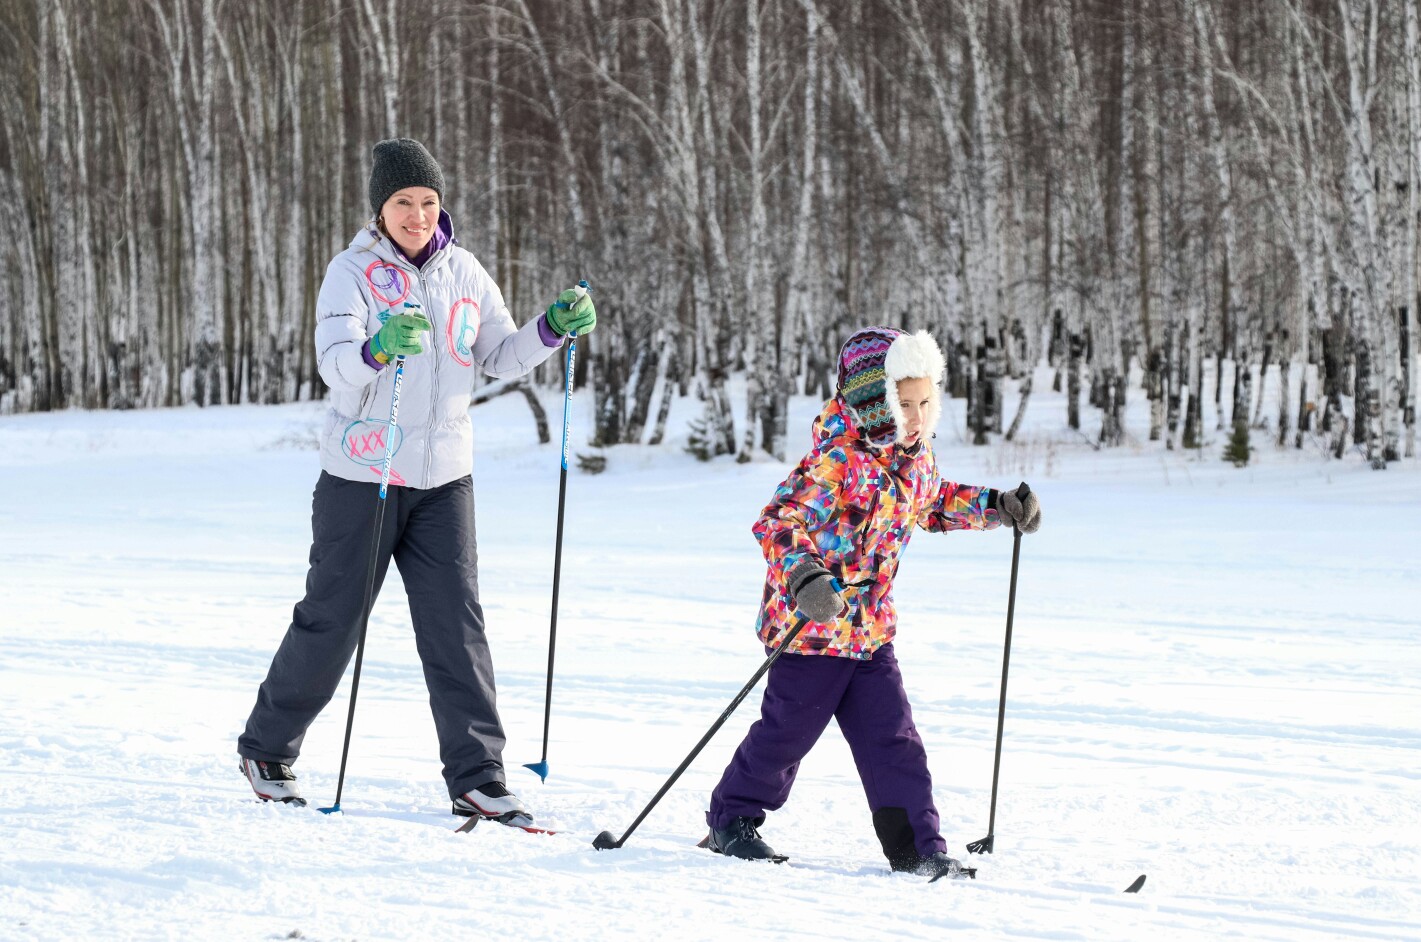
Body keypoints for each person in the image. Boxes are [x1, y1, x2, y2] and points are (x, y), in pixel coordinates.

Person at [237, 138, 596, 828]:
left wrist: (550, 329)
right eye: (403, 201)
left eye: (428, 201)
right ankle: (266, 748)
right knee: (333, 619)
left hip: (443, 481)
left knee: (457, 629)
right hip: (361, 478)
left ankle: (479, 777)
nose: (417, 214)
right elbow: (336, 366)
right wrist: (377, 348)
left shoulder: (463, 270)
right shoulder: (351, 273)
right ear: (380, 208)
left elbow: (496, 356)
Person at [702, 326, 1042, 880]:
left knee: (894, 739)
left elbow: (932, 505)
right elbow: (778, 522)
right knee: (787, 735)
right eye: (903, 403)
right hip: (810, 630)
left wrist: (997, 505)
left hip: (869, 633)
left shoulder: (915, 459)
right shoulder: (836, 460)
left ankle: (916, 847)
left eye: (925, 402)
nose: (915, 415)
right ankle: (731, 820)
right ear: (871, 400)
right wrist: (806, 576)